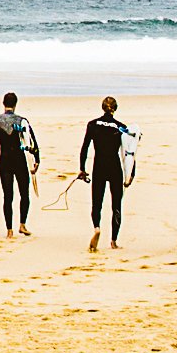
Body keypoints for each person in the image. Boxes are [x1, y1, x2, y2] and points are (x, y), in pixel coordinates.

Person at [76, 96, 133, 248]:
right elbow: (129, 153)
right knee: (116, 205)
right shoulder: (121, 128)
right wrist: (130, 175)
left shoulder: (92, 124)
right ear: (116, 108)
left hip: (99, 167)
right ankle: (114, 241)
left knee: (97, 203)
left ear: (102, 107)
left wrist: (82, 169)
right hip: (114, 168)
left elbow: (84, 148)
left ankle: (97, 228)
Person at [0, 92, 40, 236]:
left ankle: (9, 230)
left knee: (8, 196)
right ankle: (22, 225)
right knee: (24, 194)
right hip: (20, 161)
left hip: (5, 161)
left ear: (3, 103)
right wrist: (37, 159)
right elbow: (32, 141)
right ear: (15, 104)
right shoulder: (22, 121)